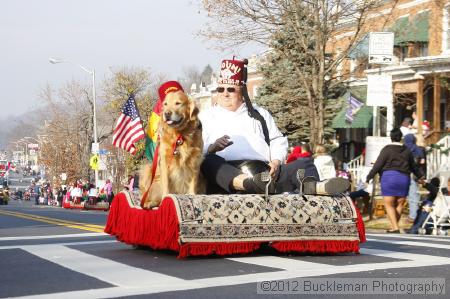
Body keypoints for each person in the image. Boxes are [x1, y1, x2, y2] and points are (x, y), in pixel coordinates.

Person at [199, 58, 348, 195]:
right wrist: (212, 148)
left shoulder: (260, 114)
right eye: (220, 89)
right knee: (208, 161)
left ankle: (314, 186)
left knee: (304, 163)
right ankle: (250, 184)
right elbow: (194, 150)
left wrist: (276, 161)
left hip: (265, 175)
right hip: (228, 176)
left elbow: (278, 140)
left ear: (242, 91)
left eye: (230, 89)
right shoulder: (205, 117)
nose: (224, 94)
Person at [365, 128, 424, 233]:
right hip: (404, 178)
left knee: (389, 204)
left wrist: (369, 177)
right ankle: (394, 227)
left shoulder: (387, 149)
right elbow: (414, 166)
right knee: (399, 205)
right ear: (401, 138)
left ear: (391, 137)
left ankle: (395, 228)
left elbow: (378, 165)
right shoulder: (407, 150)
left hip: (389, 178)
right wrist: (421, 176)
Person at [404, 134, 426, 222]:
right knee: (414, 194)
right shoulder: (418, 148)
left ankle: (413, 216)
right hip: (414, 173)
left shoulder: (403, 148)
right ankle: (413, 215)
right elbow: (422, 161)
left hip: (403, 173)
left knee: (410, 195)